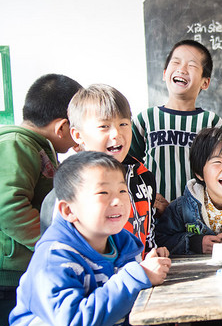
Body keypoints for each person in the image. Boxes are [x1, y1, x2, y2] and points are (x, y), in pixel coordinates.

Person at [8, 151, 171, 326]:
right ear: (68, 210)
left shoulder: (126, 245)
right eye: (103, 192)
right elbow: (73, 322)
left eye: (122, 190)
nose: (117, 201)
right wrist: (136, 277)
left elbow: (134, 316)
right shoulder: (53, 259)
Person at [40, 84, 166, 256]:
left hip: (143, 279)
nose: (116, 133)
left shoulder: (143, 177)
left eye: (123, 124)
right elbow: (56, 255)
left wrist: (154, 253)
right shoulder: (69, 188)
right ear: (77, 135)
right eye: (104, 126)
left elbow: (148, 234)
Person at [0, 73, 82, 326]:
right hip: (9, 275)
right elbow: (8, 207)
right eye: (77, 126)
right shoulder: (16, 144)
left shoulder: (38, 146)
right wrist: (52, 242)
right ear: (61, 127)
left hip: (22, 269)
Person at [129, 39, 222, 203]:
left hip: (196, 215)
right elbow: (129, 166)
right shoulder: (145, 119)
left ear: (205, 82)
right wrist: (148, 197)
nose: (182, 69)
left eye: (192, 65)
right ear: (165, 73)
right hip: (153, 214)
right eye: (176, 62)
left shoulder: (211, 122)